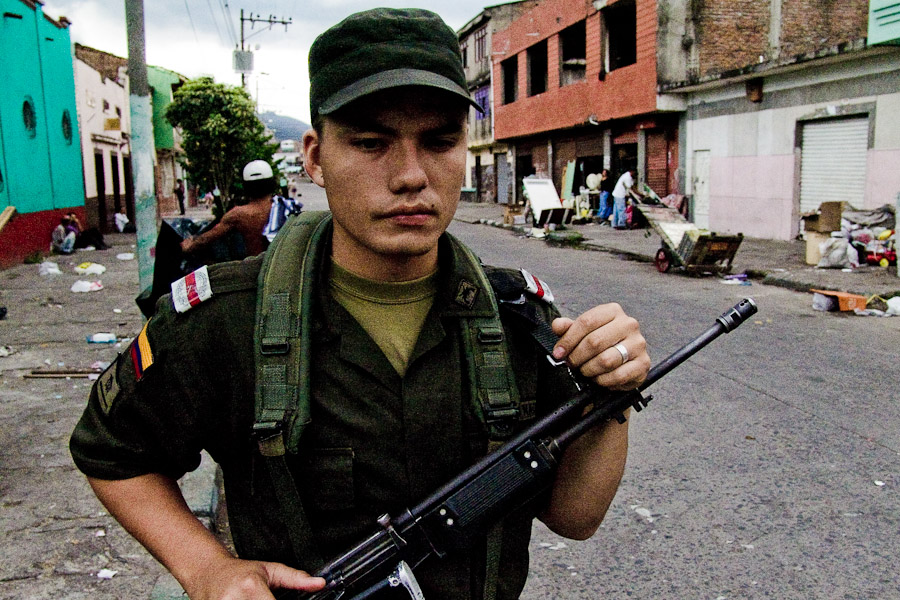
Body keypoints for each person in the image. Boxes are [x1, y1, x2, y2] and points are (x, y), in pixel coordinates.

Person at [69, 8, 650, 600]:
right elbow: (111, 450)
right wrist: (205, 567)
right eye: (371, 143)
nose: (410, 176)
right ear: (316, 158)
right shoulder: (225, 318)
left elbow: (575, 519)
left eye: (440, 141)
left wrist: (611, 393)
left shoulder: (519, 316)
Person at [180, 161, 277, 258]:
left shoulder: (238, 214)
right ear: (272, 183)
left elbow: (208, 238)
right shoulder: (284, 208)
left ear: (246, 187)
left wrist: (189, 246)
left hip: (255, 267)